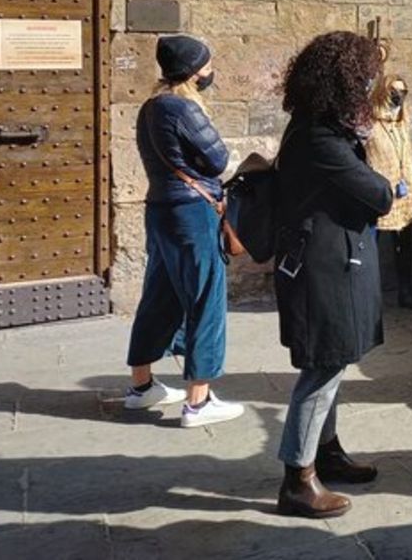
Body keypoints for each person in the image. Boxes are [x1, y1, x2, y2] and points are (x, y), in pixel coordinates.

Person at [273, 31, 396, 519]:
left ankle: (326, 453)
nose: (374, 85)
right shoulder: (319, 137)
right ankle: (297, 479)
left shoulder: (320, 129)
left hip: (334, 262)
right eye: (367, 76)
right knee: (323, 367)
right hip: (321, 270)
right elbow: (381, 194)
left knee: (335, 359)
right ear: (346, 81)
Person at [124, 34, 244, 428]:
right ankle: (199, 401)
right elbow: (217, 160)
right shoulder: (183, 109)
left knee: (159, 295)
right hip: (193, 213)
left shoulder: (150, 108)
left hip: (160, 209)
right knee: (206, 299)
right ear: (193, 71)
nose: (211, 72)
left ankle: (141, 387)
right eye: (207, 65)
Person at [366, 72, 412, 310]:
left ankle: (407, 291)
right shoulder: (371, 123)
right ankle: (370, 298)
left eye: (402, 92)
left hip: (407, 192)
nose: (398, 97)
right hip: (381, 191)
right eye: (393, 92)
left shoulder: (403, 121)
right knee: (373, 246)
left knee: (406, 247)